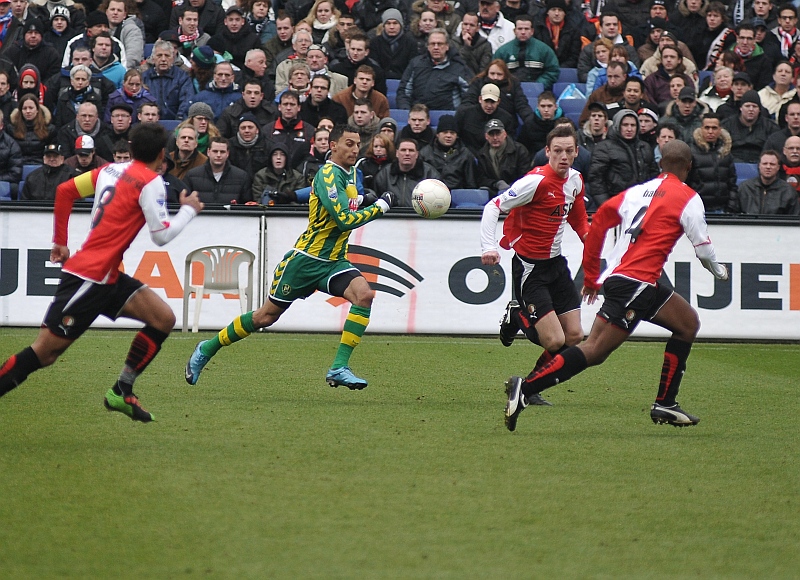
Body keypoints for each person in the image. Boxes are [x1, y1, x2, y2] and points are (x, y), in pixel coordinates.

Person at [503, 139, 729, 432]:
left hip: (626, 278)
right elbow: (703, 249)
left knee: (687, 323)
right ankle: (526, 387)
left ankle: (666, 403)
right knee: (594, 350)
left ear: (660, 163)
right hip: (637, 282)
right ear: (688, 166)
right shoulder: (689, 197)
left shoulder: (637, 192)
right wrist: (720, 271)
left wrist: (594, 276)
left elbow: (598, 224)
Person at [0, 118, 203, 421]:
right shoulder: (151, 183)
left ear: (132, 148)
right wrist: (189, 210)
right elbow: (160, 236)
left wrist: (60, 242)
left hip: (106, 276)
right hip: (88, 278)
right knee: (45, 353)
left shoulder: (109, 170)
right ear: (163, 153)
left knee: (163, 318)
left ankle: (122, 390)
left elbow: (65, 191)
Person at [185, 124, 396, 390]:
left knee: (364, 295)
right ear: (333, 146)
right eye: (349, 144)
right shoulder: (329, 174)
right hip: (305, 261)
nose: (355, 149)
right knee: (264, 317)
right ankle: (207, 348)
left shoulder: (352, 173)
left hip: (334, 262)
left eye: (357, 144)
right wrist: (379, 207)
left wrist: (364, 198)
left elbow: (336, 198)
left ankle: (339, 368)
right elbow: (343, 220)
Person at [481, 124, 588, 409]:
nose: (563, 156)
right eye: (557, 151)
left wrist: (592, 243)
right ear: (547, 152)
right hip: (530, 268)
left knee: (575, 337)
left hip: (557, 265)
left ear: (576, 152)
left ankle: (527, 387)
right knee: (554, 340)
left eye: (568, 151)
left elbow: (578, 219)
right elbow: (493, 207)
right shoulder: (535, 182)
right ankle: (517, 316)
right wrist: (488, 247)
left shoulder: (576, 180)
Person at [588, 108, 659, 207]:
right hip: (615, 204)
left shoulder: (645, 147)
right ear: (617, 126)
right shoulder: (604, 148)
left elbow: (654, 175)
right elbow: (596, 179)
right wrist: (606, 205)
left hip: (642, 203)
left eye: (633, 125)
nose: (629, 129)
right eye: (625, 125)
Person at [396, 28, 472, 110]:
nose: (436, 47)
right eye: (432, 44)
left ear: (447, 46)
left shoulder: (459, 67)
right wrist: (407, 112)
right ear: (428, 46)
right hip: (418, 118)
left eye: (440, 44)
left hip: (448, 117)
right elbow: (403, 93)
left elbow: (469, 96)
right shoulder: (415, 64)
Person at [688, 112, 738, 212]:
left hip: (722, 209)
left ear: (720, 130)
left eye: (714, 128)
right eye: (707, 128)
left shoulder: (726, 152)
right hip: (698, 209)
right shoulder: (691, 152)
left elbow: (732, 183)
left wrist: (731, 206)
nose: (710, 131)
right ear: (701, 129)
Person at [493, 15, 560, 89]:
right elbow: (494, 72)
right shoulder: (502, 51)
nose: (523, 32)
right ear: (514, 31)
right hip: (509, 91)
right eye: (520, 29)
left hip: (538, 92)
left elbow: (553, 71)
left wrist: (538, 85)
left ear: (532, 31)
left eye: (526, 29)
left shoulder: (544, 50)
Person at [183, 137, 252, 204]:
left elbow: (247, 204)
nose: (218, 155)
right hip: (200, 215)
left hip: (230, 215)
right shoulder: (192, 175)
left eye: (222, 152)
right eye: (215, 151)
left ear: (227, 153)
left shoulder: (241, 177)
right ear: (208, 152)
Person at [373, 137, 441, 206]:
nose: (407, 153)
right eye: (403, 150)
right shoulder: (384, 174)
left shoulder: (429, 174)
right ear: (397, 153)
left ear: (417, 154)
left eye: (411, 150)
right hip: (391, 215)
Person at [419, 114, 476, 190]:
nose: (449, 135)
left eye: (452, 133)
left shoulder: (465, 154)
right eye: (445, 132)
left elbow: (470, 182)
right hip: (431, 193)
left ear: (457, 135)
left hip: (457, 195)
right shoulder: (425, 153)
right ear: (438, 134)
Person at [455, 82, 516, 154]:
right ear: (480, 99)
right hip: (468, 156)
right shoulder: (464, 114)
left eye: (492, 102)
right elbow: (456, 138)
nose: (489, 106)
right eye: (486, 101)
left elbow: (509, 143)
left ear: (498, 101)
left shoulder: (506, 118)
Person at [142, 39, 194, 121]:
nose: (163, 59)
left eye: (167, 55)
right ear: (153, 58)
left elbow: (186, 103)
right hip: (150, 123)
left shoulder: (182, 77)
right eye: (159, 55)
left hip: (175, 123)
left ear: (173, 58)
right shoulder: (144, 77)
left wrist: (179, 122)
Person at [733, 149, 800, 213]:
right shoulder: (745, 188)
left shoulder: (788, 192)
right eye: (765, 163)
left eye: (772, 164)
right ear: (759, 166)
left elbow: (793, 219)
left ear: (778, 167)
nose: (768, 167)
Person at [722, 89, 779, 162]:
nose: (751, 109)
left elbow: (775, 151)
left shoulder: (770, 126)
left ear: (760, 109)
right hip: (732, 164)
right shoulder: (727, 124)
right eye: (747, 106)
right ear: (741, 108)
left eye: (754, 106)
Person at [475, 118, 530, 194]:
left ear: (504, 134)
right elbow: (481, 179)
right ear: (486, 136)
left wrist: (510, 187)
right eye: (491, 134)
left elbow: (525, 176)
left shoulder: (520, 150)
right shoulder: (482, 154)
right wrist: (496, 184)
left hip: (517, 193)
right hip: (492, 193)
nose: (495, 138)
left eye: (498, 133)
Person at [9, 93, 56, 165]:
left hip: (41, 166)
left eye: (31, 108)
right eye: (24, 108)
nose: (28, 111)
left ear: (37, 110)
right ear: (20, 111)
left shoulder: (49, 129)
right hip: (18, 166)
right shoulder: (11, 129)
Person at [451, 11, 493, 75]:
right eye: (465, 24)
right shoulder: (453, 42)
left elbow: (483, 71)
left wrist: (467, 47)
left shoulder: (486, 45)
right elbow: (456, 66)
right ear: (462, 25)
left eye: (472, 25)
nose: (467, 28)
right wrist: (466, 47)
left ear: (477, 28)